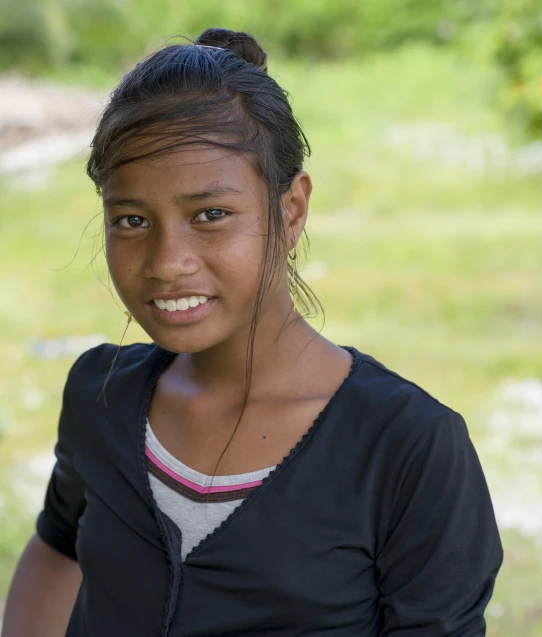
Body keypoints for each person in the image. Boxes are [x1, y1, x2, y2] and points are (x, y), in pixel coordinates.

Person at [3, 28, 503, 637]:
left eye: (210, 215)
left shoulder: (408, 448)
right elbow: (59, 546)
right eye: (131, 220)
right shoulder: (99, 393)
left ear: (290, 211)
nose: (167, 260)